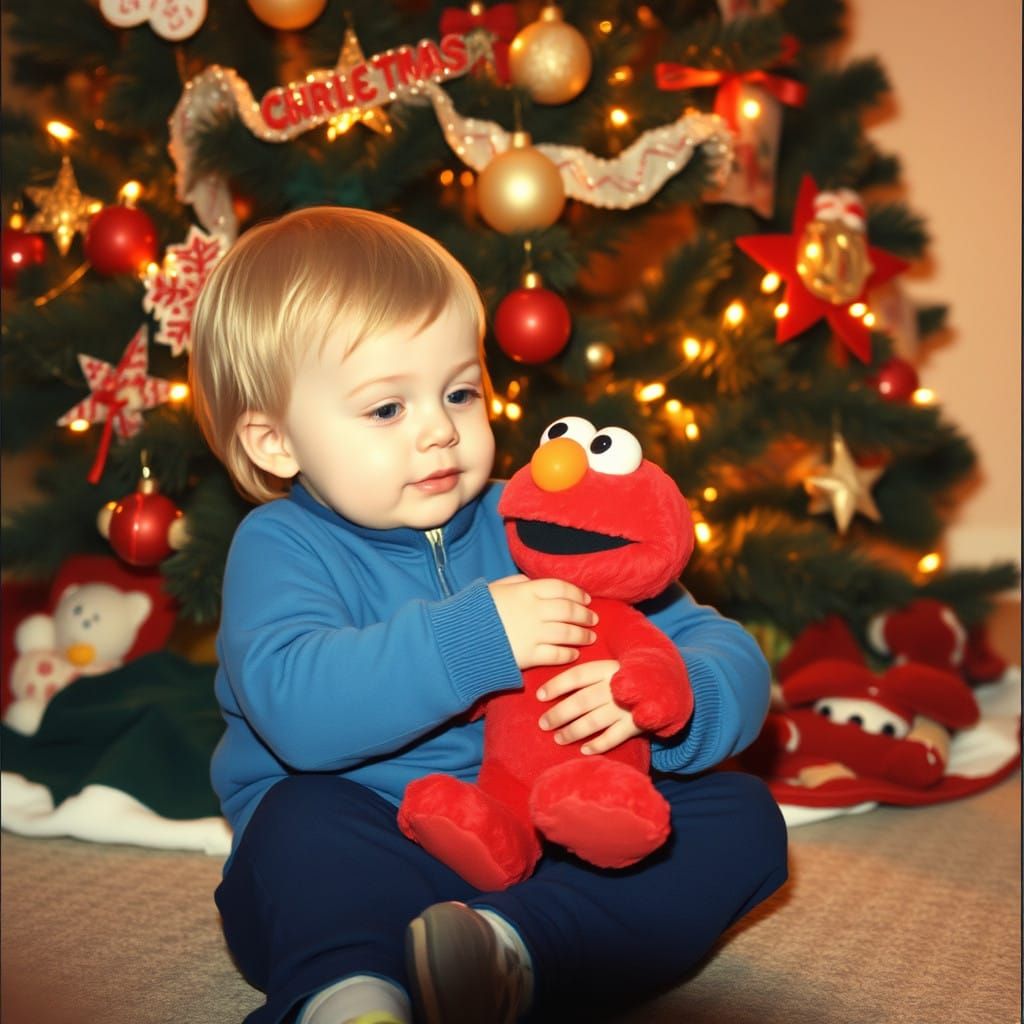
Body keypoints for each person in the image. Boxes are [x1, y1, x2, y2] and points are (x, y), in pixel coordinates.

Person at [190, 206, 787, 1024]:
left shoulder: (539, 523)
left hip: (549, 843)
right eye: (386, 410)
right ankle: (351, 996)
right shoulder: (281, 546)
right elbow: (297, 705)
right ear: (275, 443)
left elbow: (717, 641)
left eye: (460, 391)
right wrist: (477, 640)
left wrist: (676, 696)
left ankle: (513, 954)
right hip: (372, 850)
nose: (440, 429)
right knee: (300, 822)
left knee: (741, 819)